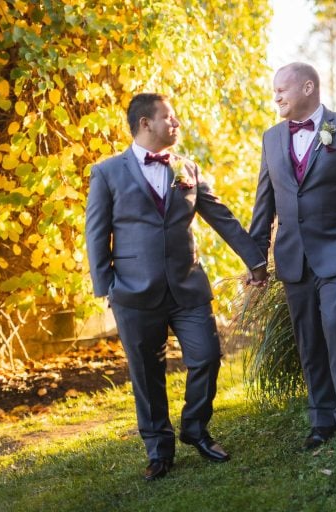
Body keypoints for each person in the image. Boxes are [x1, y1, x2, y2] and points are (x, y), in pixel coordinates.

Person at [85, 92, 268, 481]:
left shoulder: (188, 168)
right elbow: (96, 233)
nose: (177, 123)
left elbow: (222, 217)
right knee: (146, 375)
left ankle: (196, 428)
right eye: (169, 117)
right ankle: (158, 450)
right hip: (133, 292)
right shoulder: (107, 172)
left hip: (188, 287)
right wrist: (107, 287)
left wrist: (255, 259)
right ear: (145, 123)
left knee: (207, 356)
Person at [249, 62, 336, 460]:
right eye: (273, 91)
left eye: (282, 90)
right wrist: (257, 259)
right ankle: (321, 420)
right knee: (309, 341)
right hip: (293, 257)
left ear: (308, 87)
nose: (276, 97)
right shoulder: (271, 139)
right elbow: (264, 204)